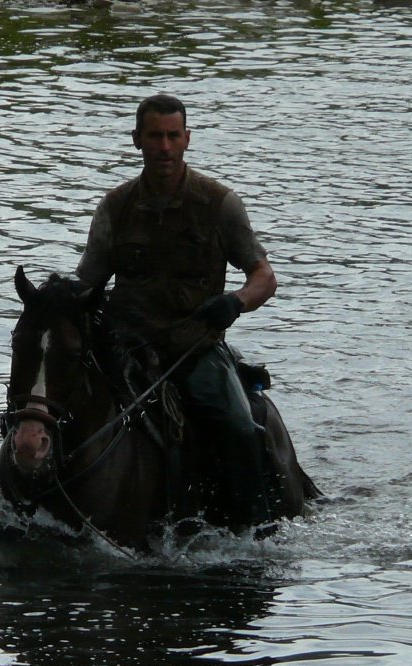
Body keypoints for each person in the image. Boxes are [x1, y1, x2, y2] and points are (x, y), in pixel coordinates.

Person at [76, 93, 279, 523]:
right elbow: (87, 284)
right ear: (137, 140)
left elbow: (264, 277)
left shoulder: (220, 204)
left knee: (240, 429)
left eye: (172, 136)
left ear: (187, 139)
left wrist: (234, 302)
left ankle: (256, 531)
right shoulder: (115, 207)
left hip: (193, 350)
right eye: (155, 136)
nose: (164, 147)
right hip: (125, 348)